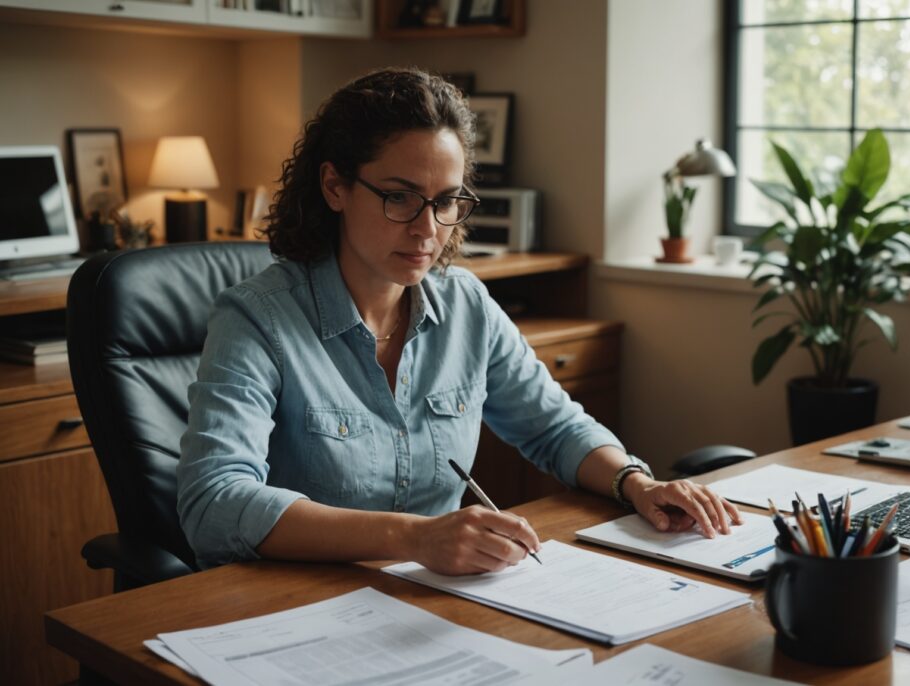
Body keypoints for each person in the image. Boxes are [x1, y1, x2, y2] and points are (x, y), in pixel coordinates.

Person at [177, 67, 742, 575]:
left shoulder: (465, 304)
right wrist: (414, 538)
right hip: (297, 604)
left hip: (436, 595)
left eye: (446, 201)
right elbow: (214, 501)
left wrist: (635, 483)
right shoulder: (257, 318)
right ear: (335, 187)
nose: (428, 230)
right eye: (400, 198)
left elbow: (554, 427)